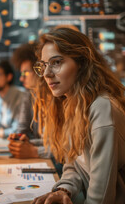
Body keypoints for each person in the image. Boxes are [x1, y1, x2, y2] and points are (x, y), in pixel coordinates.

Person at [31, 27, 125, 204]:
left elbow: (101, 196)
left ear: (82, 63)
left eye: (57, 62)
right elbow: (73, 164)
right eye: (43, 65)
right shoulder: (74, 104)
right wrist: (63, 189)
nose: (46, 73)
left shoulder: (102, 107)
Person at [8, 43, 52, 158]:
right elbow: (22, 128)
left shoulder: (60, 97)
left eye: (25, 73)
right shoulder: (29, 95)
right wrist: (21, 140)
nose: (21, 78)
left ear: (40, 70)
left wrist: (34, 151)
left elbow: (66, 148)